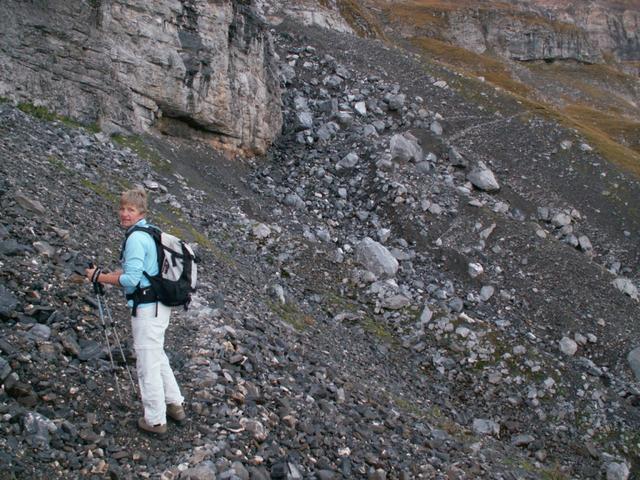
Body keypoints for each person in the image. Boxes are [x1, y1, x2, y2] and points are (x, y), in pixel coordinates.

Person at [86, 188, 185, 435]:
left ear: (141, 212)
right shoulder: (150, 233)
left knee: (147, 363)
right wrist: (108, 275)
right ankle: (175, 404)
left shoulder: (135, 238)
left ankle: (155, 421)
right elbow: (141, 274)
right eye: (122, 208)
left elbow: (131, 280)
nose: (124, 214)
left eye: (130, 209)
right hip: (159, 305)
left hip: (147, 309)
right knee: (158, 355)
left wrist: (101, 277)